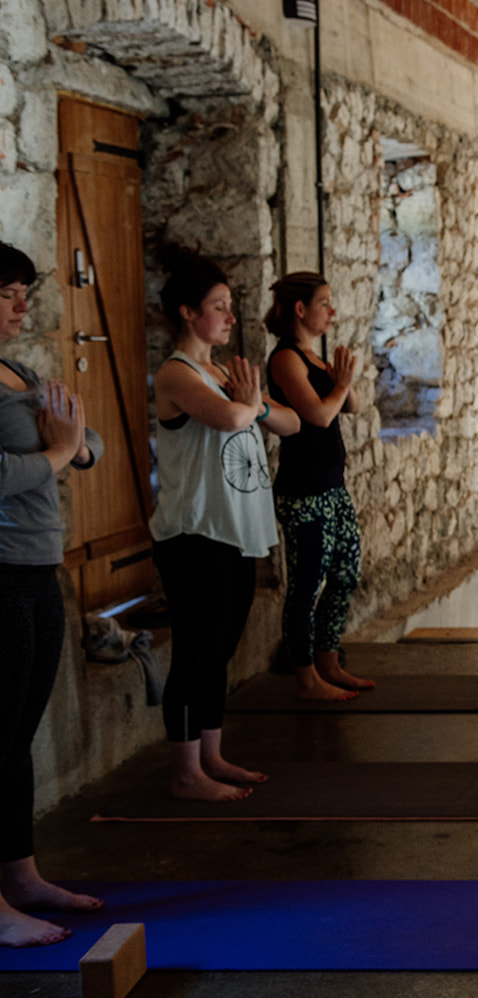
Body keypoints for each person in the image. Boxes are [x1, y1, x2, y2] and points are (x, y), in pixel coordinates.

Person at [150, 247, 299, 801]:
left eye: (230, 306)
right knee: (195, 650)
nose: (230, 318)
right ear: (188, 312)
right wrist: (251, 403)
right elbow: (234, 415)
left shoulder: (221, 372)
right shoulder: (177, 373)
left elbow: (289, 422)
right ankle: (185, 773)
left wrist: (255, 403)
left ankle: (210, 755)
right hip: (195, 535)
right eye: (219, 306)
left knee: (220, 652)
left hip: (235, 531)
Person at [0, 242, 104, 947]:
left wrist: (76, 446)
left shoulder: (17, 371)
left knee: (16, 737)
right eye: (9, 293)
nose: (22, 306)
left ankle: (20, 874)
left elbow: (84, 434)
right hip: (0, 572)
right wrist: (61, 453)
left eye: (23, 293)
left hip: (39, 570)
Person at [265, 272, 370, 699]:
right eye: (324, 302)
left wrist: (343, 377)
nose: (332, 311)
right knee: (307, 583)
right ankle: (305, 676)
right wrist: (340, 382)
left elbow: (354, 405)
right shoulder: (286, 359)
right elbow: (319, 416)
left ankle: (329, 660)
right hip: (303, 490)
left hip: (332, 487)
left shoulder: (315, 357)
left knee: (345, 573)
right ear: (300, 309)